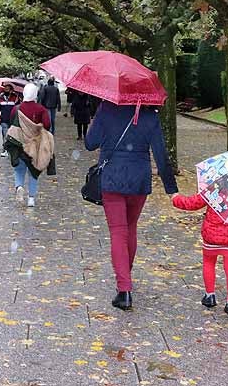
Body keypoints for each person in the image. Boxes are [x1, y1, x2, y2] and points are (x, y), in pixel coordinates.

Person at [85, 102, 178, 311]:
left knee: (118, 232)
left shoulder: (106, 109)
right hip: (139, 180)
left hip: (112, 178)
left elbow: (90, 143)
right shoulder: (150, 115)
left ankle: (124, 289)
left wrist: (99, 123)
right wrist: (171, 188)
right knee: (131, 228)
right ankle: (125, 275)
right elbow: (160, 153)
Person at [171, 191, 228, 317]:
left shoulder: (213, 189)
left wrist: (176, 198)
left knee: (209, 263)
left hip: (212, 235)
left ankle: (209, 296)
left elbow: (192, 203)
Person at [4, 83, 53, 207]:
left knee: (19, 170)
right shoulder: (41, 109)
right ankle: (31, 198)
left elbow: (12, 123)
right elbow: (47, 125)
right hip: (34, 146)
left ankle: (19, 186)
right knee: (33, 172)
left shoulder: (16, 108)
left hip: (19, 144)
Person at [0, 83, 20, 157]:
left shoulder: (15, 98)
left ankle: (12, 148)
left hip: (12, 120)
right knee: (5, 134)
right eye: (5, 88)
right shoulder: (1, 97)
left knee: (12, 135)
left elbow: (18, 108)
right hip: (4, 119)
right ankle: (5, 149)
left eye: (8, 89)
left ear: (11, 90)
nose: (6, 90)